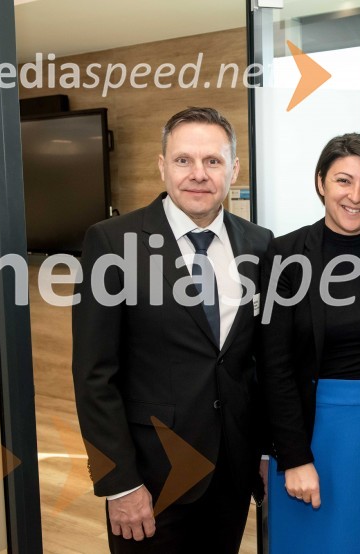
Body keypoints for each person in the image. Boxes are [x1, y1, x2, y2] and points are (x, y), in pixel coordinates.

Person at [72, 106, 273, 553]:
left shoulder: (260, 245)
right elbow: (93, 376)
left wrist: (263, 451)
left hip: (231, 471)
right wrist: (119, 483)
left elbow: (258, 363)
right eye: (184, 160)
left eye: (213, 161)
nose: (198, 174)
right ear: (162, 165)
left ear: (234, 168)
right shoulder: (111, 242)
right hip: (150, 478)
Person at [259, 133, 360, 553]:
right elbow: (273, 365)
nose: (356, 196)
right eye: (343, 181)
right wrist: (294, 457)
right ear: (320, 183)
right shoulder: (286, 255)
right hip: (313, 434)